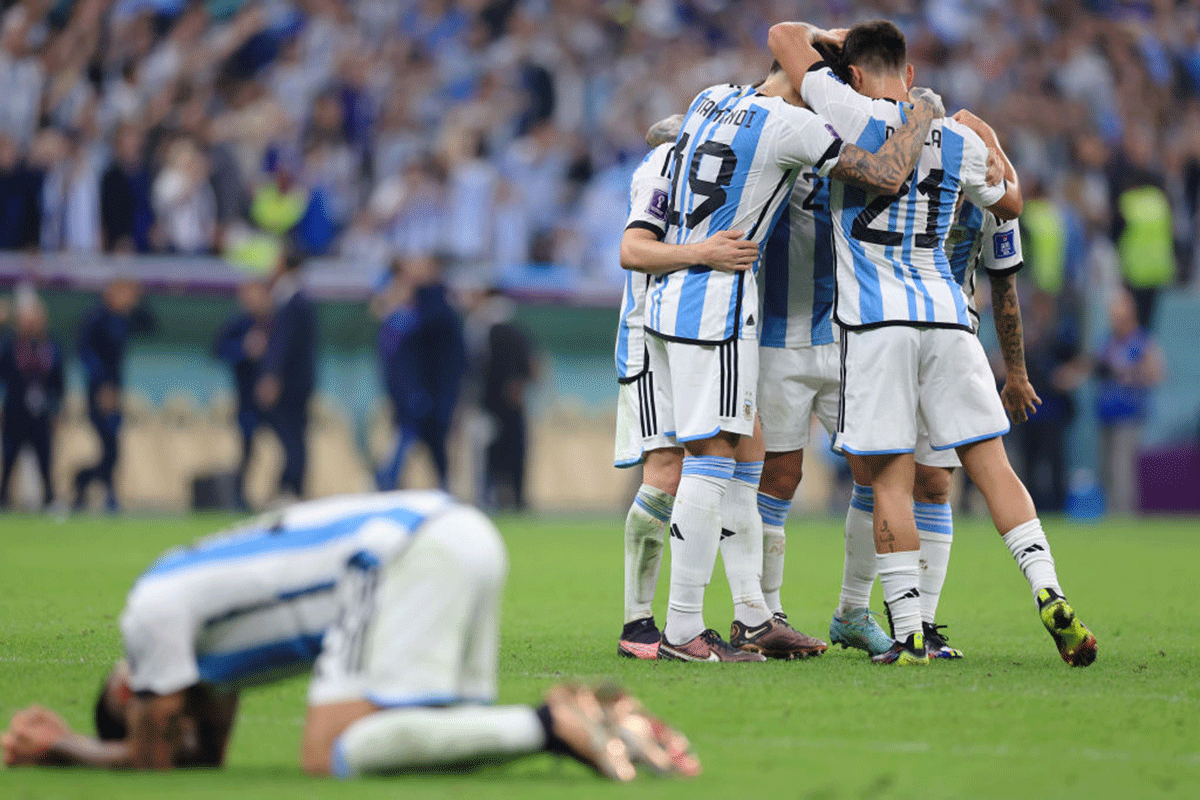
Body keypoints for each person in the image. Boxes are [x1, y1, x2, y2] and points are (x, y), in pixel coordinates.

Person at [769, 19, 1096, 666]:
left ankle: (912, 632)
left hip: (875, 326)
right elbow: (1012, 203)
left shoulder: (844, 109)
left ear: (854, 75)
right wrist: (988, 134)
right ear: (911, 75)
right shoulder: (957, 138)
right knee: (991, 464)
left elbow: (782, 33)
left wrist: (829, 41)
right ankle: (1048, 587)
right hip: (949, 317)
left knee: (888, 479)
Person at [0, 491, 698, 782]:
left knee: (327, 749)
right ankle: (587, 721)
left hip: (401, 556)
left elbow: (151, 757)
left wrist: (61, 748)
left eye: (163, 714)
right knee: (426, 737)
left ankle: (550, 722)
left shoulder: (148, 611)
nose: (183, 726)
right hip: (459, 533)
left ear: (130, 685)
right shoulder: (213, 651)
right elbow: (201, 758)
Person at [644, 50, 939, 662]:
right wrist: (924, 113)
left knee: (855, 464)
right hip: (748, 320)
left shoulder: (716, 98)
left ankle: (809, 613)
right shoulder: (794, 129)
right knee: (738, 464)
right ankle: (717, 621)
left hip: (827, 326)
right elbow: (888, 172)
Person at [375, 255, 467, 492]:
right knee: (413, 441)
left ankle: (389, 482)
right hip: (413, 392)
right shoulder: (404, 318)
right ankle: (391, 482)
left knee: (419, 441)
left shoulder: (431, 312)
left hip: (427, 392)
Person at [73, 279, 156, 513]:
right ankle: (98, 488)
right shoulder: (95, 317)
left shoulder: (123, 318)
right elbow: (85, 352)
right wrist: (102, 386)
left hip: (116, 389)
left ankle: (86, 481)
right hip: (99, 390)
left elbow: (151, 326)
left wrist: (140, 301)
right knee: (108, 443)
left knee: (113, 446)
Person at [1095, 288, 1165, 515]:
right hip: (1106, 413)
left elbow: (1156, 373)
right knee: (1107, 470)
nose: (1113, 313)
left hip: (1128, 413)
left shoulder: (1141, 340)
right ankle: (1110, 515)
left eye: (1118, 307)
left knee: (1122, 469)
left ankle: (1123, 517)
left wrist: (1131, 374)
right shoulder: (1108, 341)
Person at [257, 252, 317, 501]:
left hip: (289, 384)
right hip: (299, 382)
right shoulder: (302, 299)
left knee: (291, 437)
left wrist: (271, 376)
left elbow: (282, 344)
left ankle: (290, 488)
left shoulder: (291, 301)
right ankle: (291, 486)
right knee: (295, 437)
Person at [0, 290, 64, 509]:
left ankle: (49, 499)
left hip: (41, 412)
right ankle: (4, 498)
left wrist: (57, 410)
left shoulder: (52, 346)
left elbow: (59, 383)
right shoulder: (9, 346)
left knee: (45, 460)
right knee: (9, 459)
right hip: (15, 410)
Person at [212, 280, 273, 511]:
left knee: (287, 446)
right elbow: (218, 349)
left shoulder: (275, 321)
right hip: (247, 398)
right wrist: (244, 349)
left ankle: (284, 491)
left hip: (276, 400)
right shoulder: (238, 323)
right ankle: (239, 497)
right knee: (247, 449)